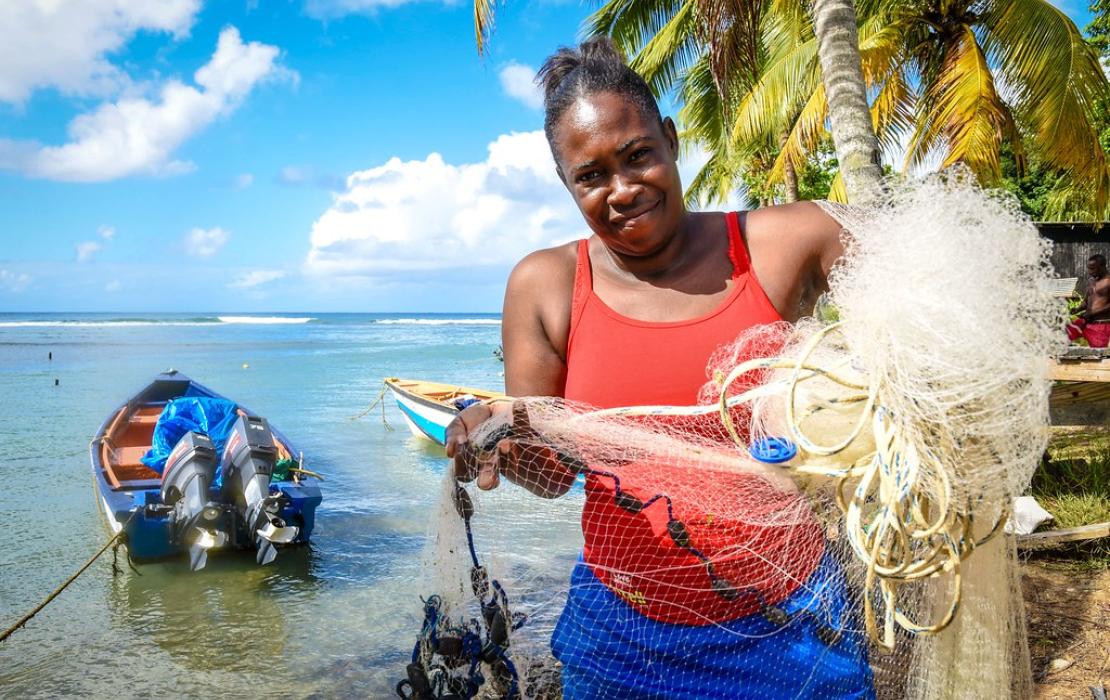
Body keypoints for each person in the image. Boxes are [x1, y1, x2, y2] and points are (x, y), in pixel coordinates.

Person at [446, 38, 874, 699]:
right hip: (622, 635)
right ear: (567, 184)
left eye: (638, 155)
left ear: (671, 140)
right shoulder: (547, 284)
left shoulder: (785, 244)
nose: (622, 190)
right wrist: (497, 437)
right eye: (590, 176)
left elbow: (919, 289)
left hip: (787, 625)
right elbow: (555, 476)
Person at [1070, 254, 1110, 347]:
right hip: (1085, 321)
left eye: (1092, 268)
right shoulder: (1091, 281)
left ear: (1102, 266)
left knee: (1099, 354)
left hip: (1100, 325)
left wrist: (1093, 313)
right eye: (1089, 268)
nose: (1090, 272)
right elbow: (1086, 301)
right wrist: (1077, 309)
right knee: (1061, 336)